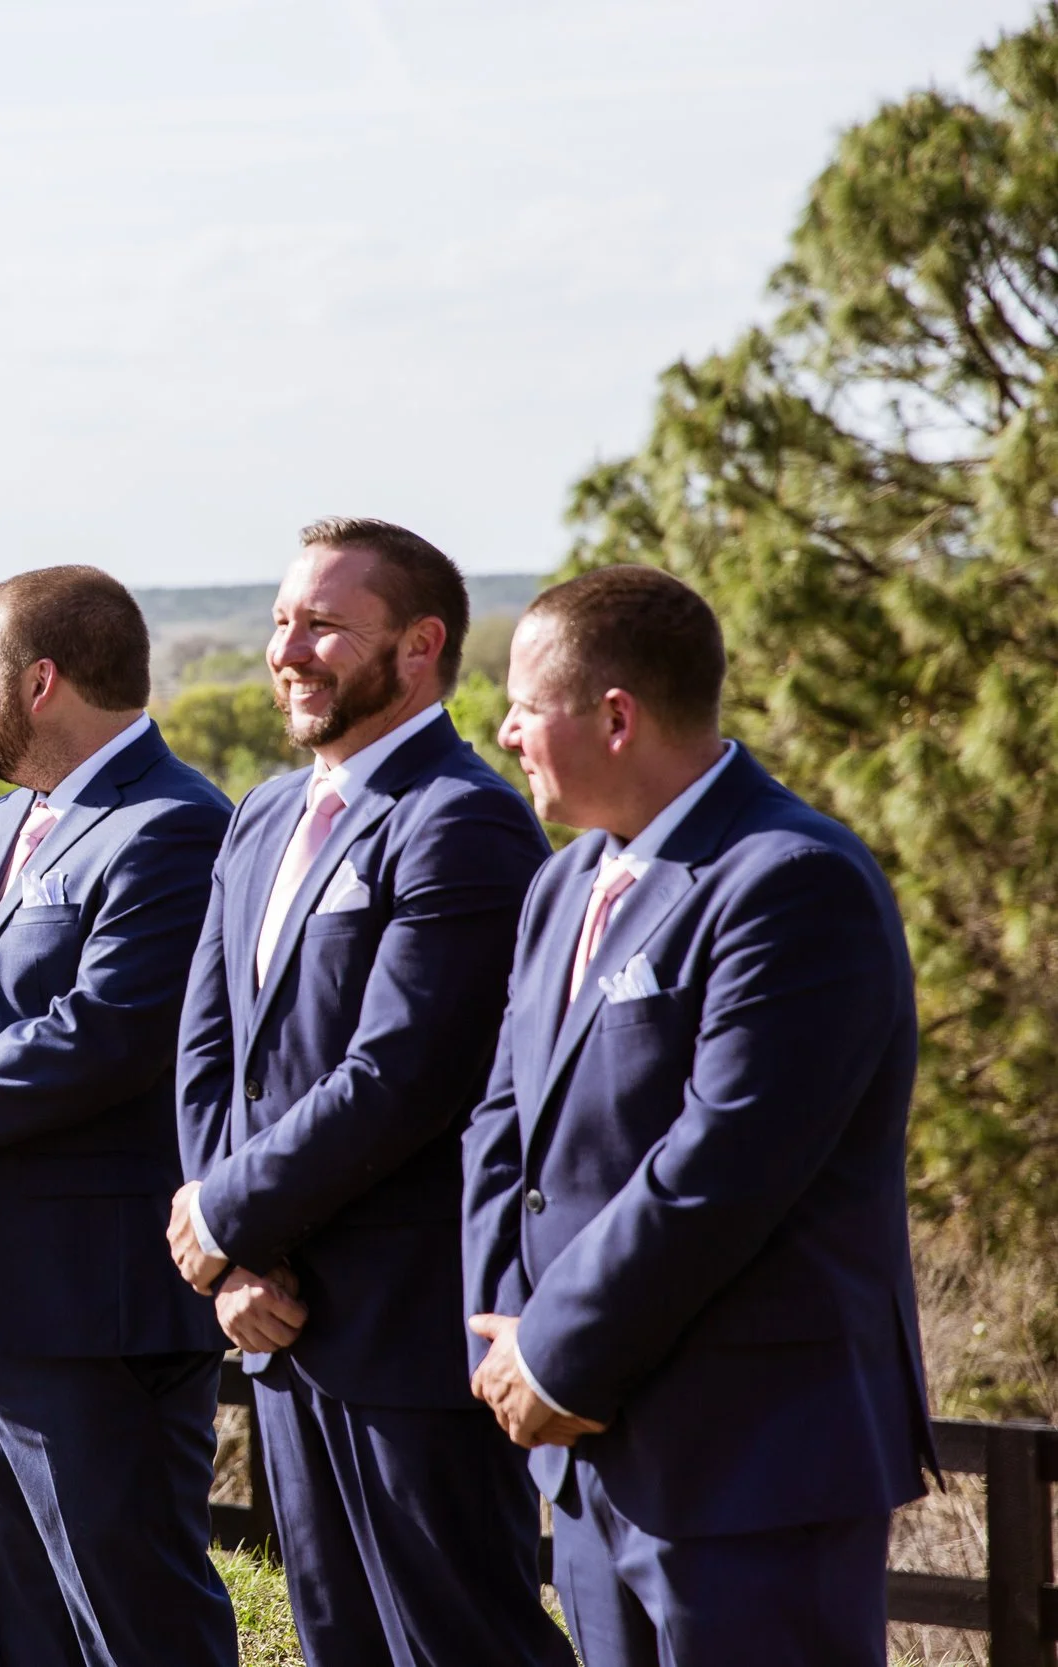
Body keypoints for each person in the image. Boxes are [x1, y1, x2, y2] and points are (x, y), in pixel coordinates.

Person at [464, 564, 936, 1666]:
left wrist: (553, 1355)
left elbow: (722, 1164)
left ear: (615, 715)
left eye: (525, 706)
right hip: (586, 1455)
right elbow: (502, 1129)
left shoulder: (790, 878)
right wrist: (510, 1350)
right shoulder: (563, 882)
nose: (505, 730)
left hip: (752, 1460)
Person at [172, 519, 573, 1667]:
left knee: (457, 1638)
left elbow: (399, 1074)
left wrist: (227, 1219)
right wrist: (225, 1250)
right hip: (277, 1318)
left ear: (417, 645)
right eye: (279, 622)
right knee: (335, 1637)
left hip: (407, 1332)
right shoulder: (258, 813)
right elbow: (210, 1046)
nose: (287, 650)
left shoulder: (463, 818)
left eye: (323, 625)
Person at [0, 566, 241, 1667]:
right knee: (21, 1628)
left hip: (93, 1312)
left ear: (42, 680)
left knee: (134, 1621)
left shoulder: (174, 825)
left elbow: (100, 1032)